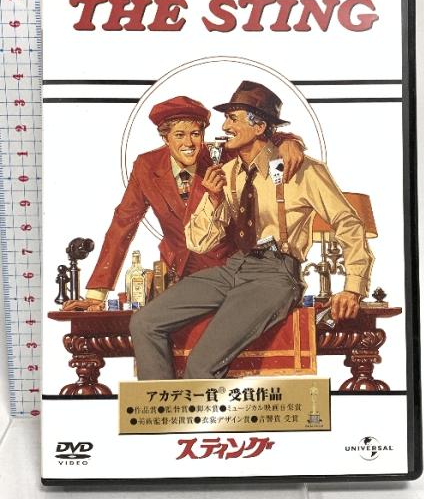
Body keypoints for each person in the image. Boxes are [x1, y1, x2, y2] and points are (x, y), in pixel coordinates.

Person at [130, 80, 374, 380]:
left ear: (259, 127)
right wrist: (213, 198)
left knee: (201, 365)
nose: (225, 126)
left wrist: (353, 287)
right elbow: (198, 242)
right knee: (144, 322)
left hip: (275, 275)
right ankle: (161, 407)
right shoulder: (228, 172)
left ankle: (193, 410)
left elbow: (348, 222)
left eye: (233, 119)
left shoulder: (300, 169)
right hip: (232, 268)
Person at [63, 94, 304, 311]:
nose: (189, 143)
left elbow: (259, 135)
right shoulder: (146, 166)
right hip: (175, 276)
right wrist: (96, 295)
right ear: (165, 138)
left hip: (227, 275)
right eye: (179, 135)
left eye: (195, 134)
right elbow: (122, 224)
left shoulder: (223, 156)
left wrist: (290, 141)